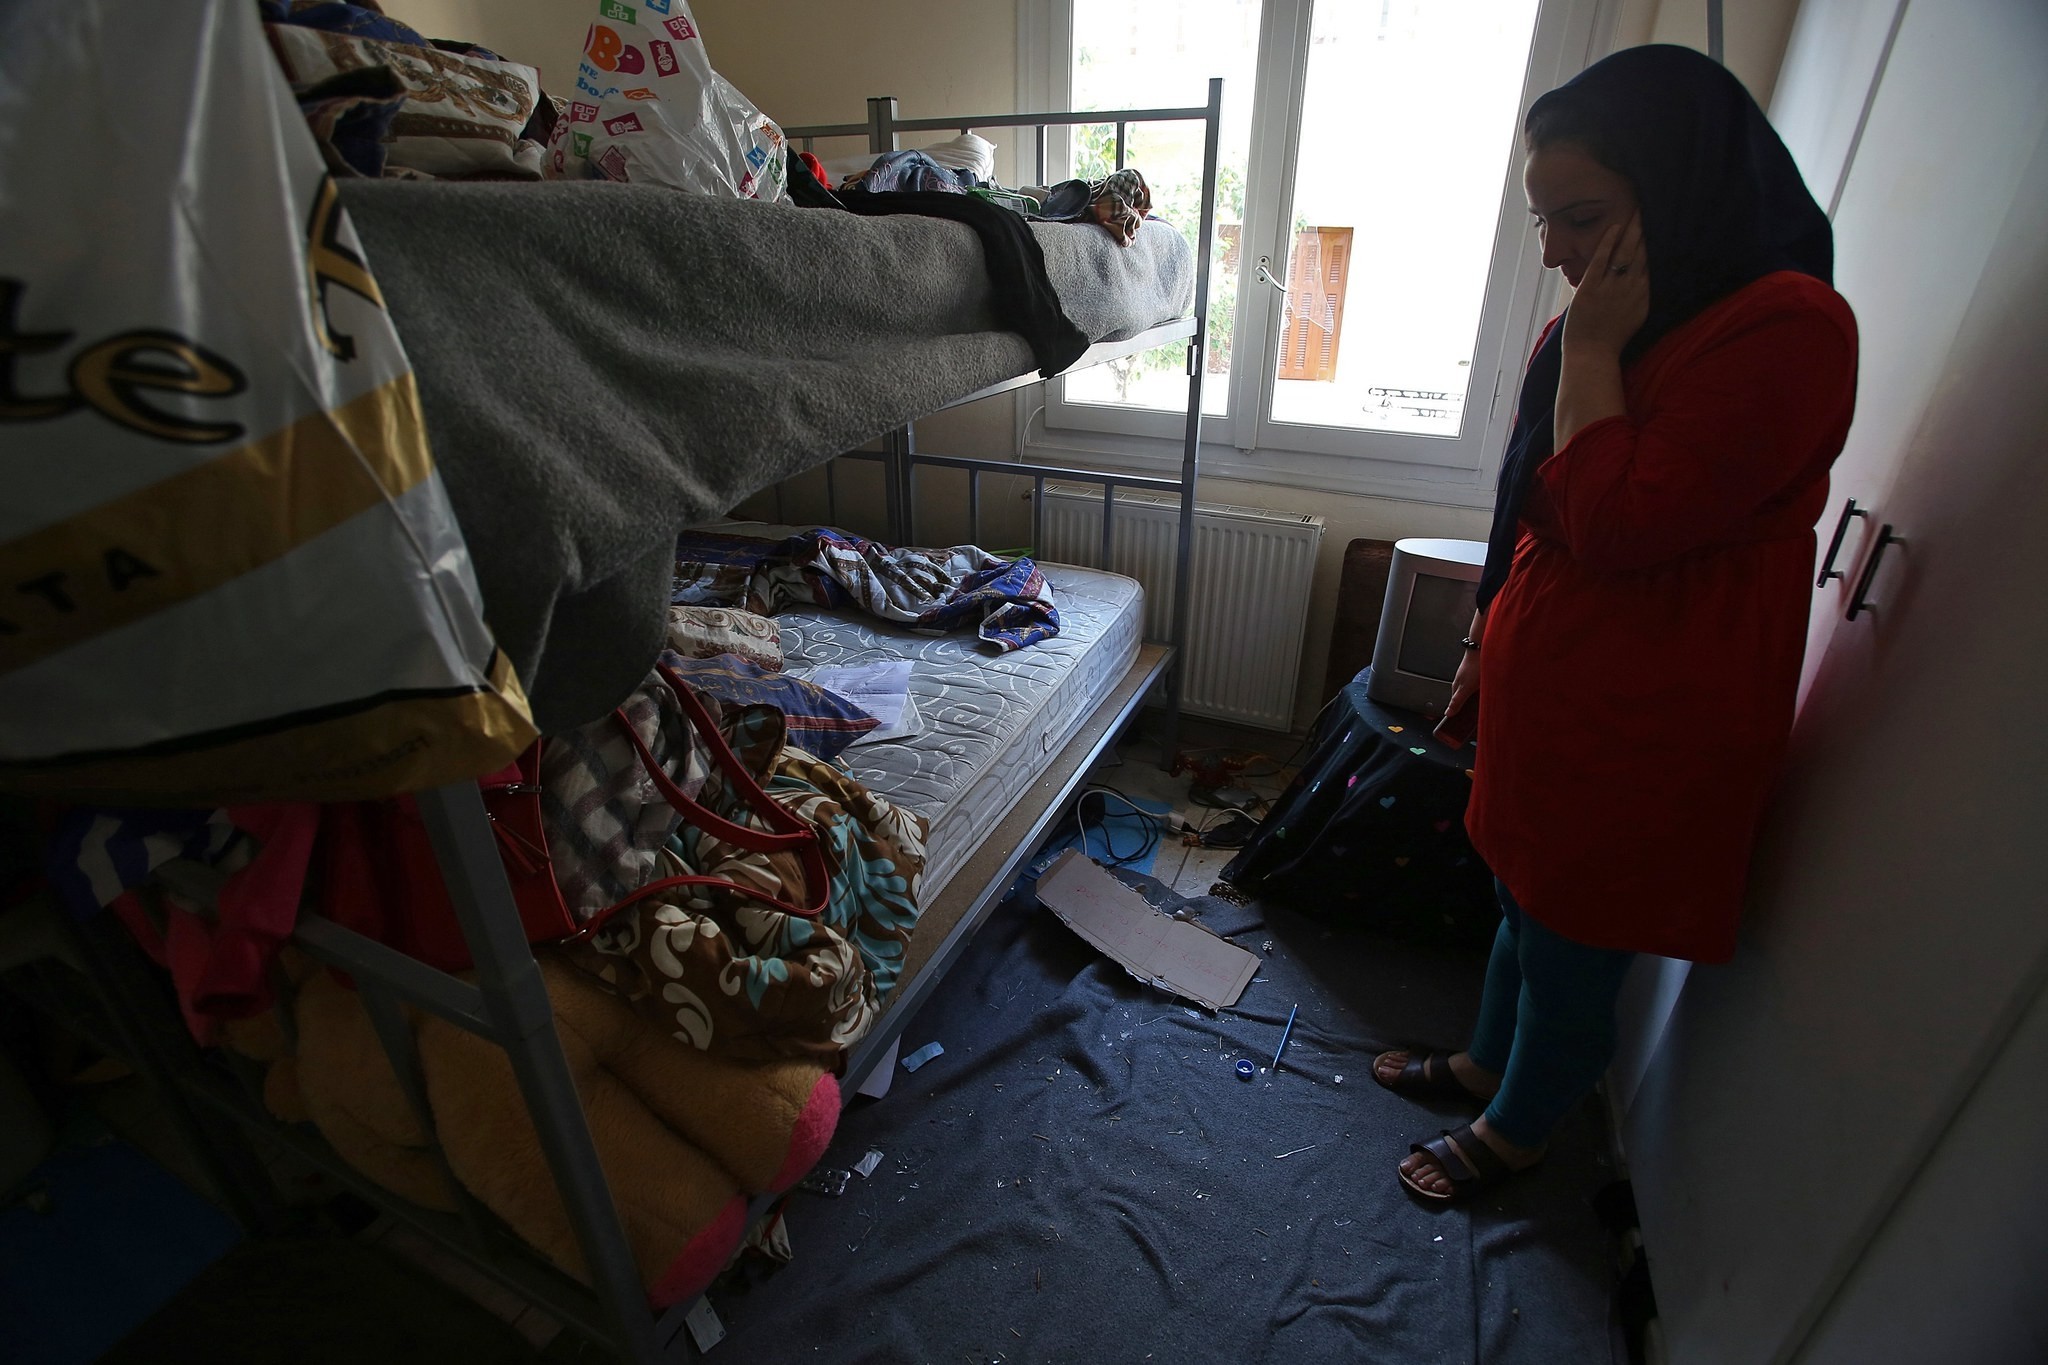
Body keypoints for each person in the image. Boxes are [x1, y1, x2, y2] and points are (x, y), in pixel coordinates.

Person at [1370, 45, 1858, 1203]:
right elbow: (1520, 503)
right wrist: (1487, 637)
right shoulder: (1602, 324)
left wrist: (1589, 352)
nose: (1555, 253)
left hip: (1649, 701)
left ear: (1678, 185)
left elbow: (1623, 523)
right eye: (1543, 221)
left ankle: (1524, 1123)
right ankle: (1490, 1061)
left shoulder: (1786, 329)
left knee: (1575, 936)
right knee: (1516, 888)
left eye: (1578, 216)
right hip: (1556, 674)